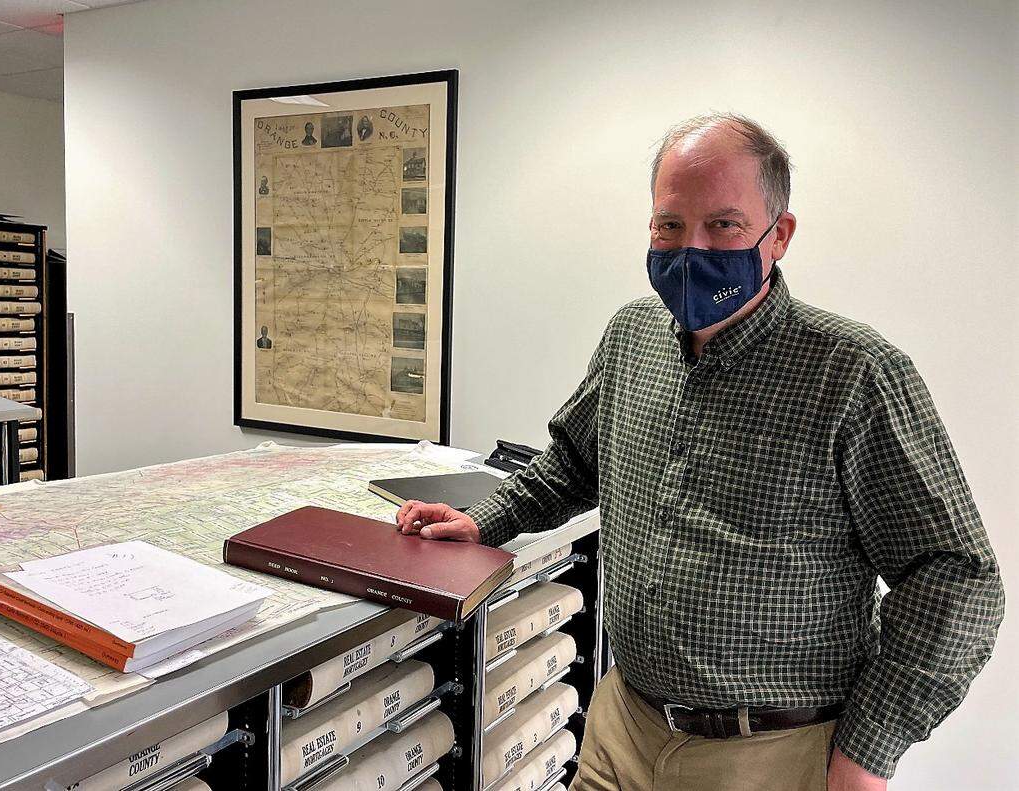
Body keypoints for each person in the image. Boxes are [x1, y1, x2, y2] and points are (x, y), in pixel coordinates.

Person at [396, 113, 1003, 791]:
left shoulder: (853, 374)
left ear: (780, 235)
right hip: (621, 729)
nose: (691, 249)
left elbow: (957, 579)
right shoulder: (631, 338)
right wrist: (486, 520)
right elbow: (572, 462)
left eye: (723, 225)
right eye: (670, 225)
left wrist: (869, 749)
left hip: (768, 756)